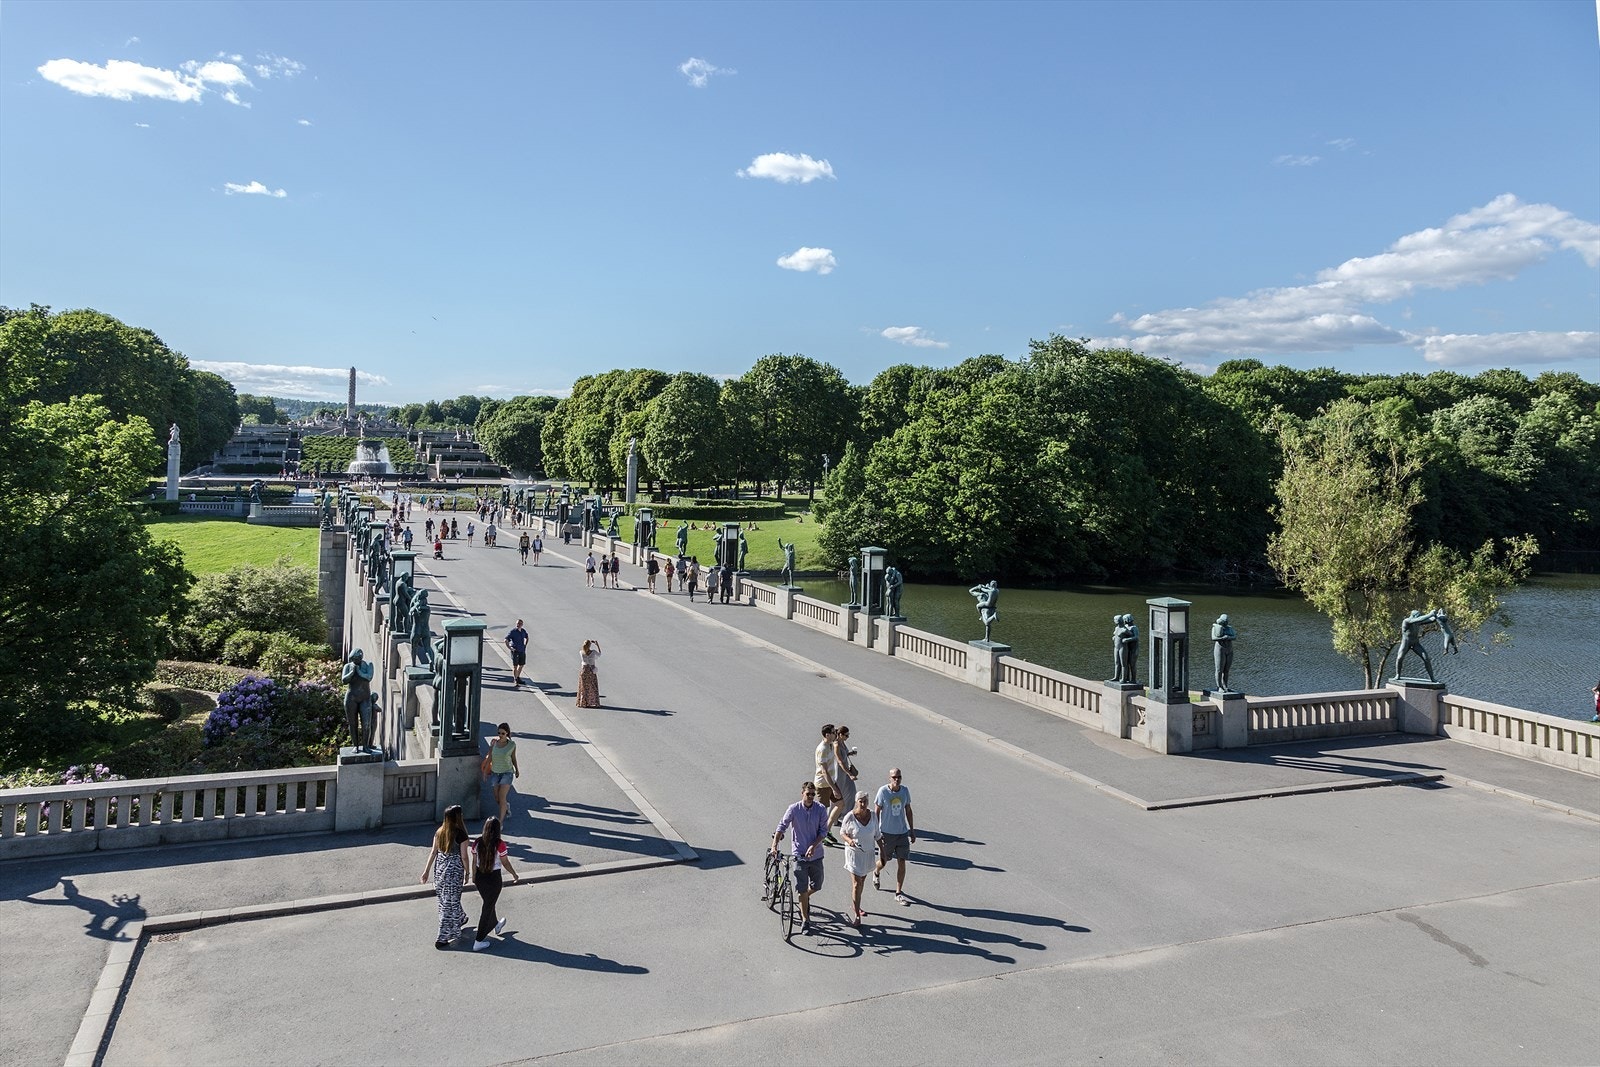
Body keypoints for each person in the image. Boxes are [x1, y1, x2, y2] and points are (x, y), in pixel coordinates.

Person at [771, 781, 830, 935]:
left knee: (817, 885)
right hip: (799, 855)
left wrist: (813, 846)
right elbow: (781, 826)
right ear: (802, 793)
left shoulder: (821, 809)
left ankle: (804, 898)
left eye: (813, 794)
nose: (810, 797)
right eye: (807, 794)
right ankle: (806, 920)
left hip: (816, 855)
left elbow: (824, 832)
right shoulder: (794, 809)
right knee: (801, 888)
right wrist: (774, 845)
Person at [420, 804, 472, 949]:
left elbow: (433, 852)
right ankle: (442, 937)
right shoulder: (461, 834)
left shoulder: (439, 832)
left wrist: (426, 871)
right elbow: (464, 856)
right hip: (454, 871)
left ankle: (461, 918)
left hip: (440, 869)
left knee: (445, 899)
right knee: (450, 903)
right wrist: (467, 873)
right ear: (458, 817)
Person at [471, 816, 521, 950]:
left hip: (480, 877)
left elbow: (474, 861)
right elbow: (505, 862)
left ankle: (495, 924)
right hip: (494, 878)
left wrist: (473, 876)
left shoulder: (477, 842)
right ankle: (479, 940)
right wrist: (514, 874)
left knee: (489, 902)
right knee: (487, 906)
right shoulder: (500, 844)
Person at [873, 768, 915, 905]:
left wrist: (912, 830)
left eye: (899, 777)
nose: (897, 779)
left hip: (902, 833)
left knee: (902, 862)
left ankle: (898, 893)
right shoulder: (883, 792)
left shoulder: (904, 791)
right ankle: (876, 871)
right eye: (894, 777)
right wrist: (877, 830)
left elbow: (908, 810)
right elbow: (877, 811)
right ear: (889, 778)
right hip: (886, 834)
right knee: (884, 862)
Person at [840, 790, 880, 927]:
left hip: (868, 853)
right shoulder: (850, 817)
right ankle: (857, 914)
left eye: (865, 801)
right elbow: (842, 833)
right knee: (857, 884)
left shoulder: (873, 816)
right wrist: (849, 841)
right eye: (860, 801)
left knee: (861, 882)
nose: (863, 804)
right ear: (856, 802)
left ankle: (856, 903)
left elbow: (877, 835)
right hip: (854, 854)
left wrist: (883, 852)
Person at [814, 724, 841, 844]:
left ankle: (827, 830)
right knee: (822, 811)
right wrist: (834, 788)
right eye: (833, 732)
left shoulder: (830, 745)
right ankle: (820, 835)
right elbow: (824, 771)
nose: (836, 733)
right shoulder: (822, 749)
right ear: (827, 735)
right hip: (823, 784)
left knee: (840, 804)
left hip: (831, 782)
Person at [831, 726, 858, 831]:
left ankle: (844, 814)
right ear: (840, 735)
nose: (847, 737)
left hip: (845, 771)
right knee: (839, 795)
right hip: (840, 772)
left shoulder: (842, 742)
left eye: (848, 735)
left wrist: (850, 753)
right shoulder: (836, 744)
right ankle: (835, 817)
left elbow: (844, 755)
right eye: (846, 735)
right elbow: (839, 761)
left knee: (851, 792)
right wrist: (849, 773)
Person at [1212, 614, 1237, 692]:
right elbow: (1213, 638)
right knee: (1219, 669)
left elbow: (1234, 636)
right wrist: (1223, 638)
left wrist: (1229, 637)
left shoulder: (1229, 628)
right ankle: (1219, 686)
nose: (1226, 622)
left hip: (1229, 649)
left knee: (1226, 669)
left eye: (1226, 621)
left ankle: (1225, 685)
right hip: (1220, 649)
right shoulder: (1215, 628)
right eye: (1224, 621)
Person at [576, 639, 602, 707]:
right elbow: (599, 654)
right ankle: (594, 702)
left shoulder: (581, 652)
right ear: (590, 645)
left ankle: (583, 702)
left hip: (584, 670)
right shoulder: (593, 652)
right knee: (593, 686)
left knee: (583, 687)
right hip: (591, 670)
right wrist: (597, 645)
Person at [504, 620, 529, 687]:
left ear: (522, 624)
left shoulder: (523, 631)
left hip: (522, 651)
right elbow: (506, 639)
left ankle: (518, 677)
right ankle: (515, 679)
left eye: (520, 623)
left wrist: (525, 645)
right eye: (518, 623)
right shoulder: (513, 632)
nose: (519, 625)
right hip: (515, 651)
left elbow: (527, 637)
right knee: (515, 666)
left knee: (521, 664)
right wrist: (510, 648)